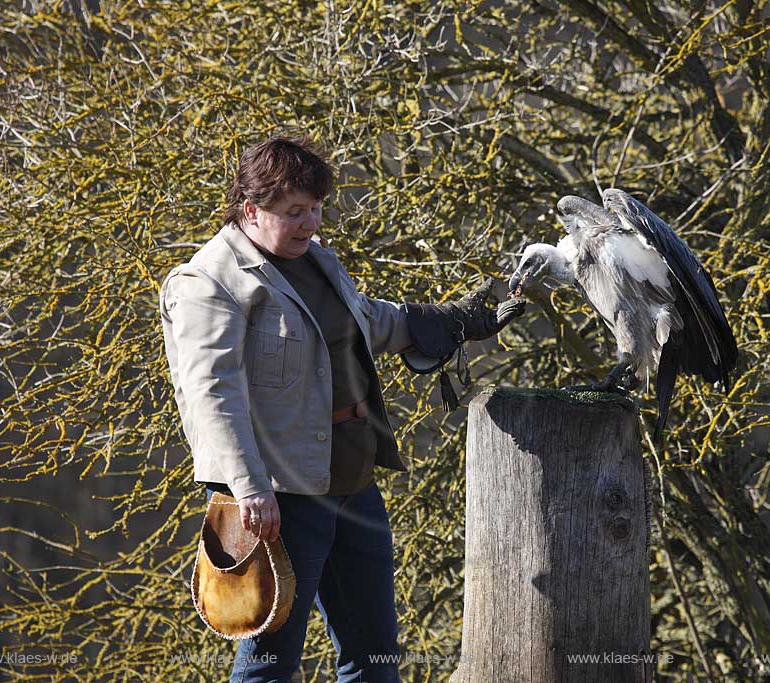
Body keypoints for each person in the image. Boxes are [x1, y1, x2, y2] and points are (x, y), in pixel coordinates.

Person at [159, 136, 523, 683]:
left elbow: (367, 323)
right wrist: (249, 487)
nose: (309, 222)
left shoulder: (315, 261)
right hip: (279, 499)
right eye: (294, 212)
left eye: (315, 208)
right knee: (268, 664)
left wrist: (448, 322)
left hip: (352, 483)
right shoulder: (210, 282)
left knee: (374, 657)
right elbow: (213, 393)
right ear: (251, 210)